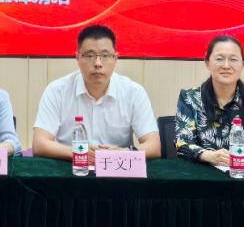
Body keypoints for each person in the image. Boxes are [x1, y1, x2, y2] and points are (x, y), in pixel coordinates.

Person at [32, 24, 160, 161]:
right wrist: (78, 152)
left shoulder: (133, 92)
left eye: (105, 55)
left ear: (115, 58)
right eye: (89, 56)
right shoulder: (57, 90)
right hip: (70, 168)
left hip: (116, 169)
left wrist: (125, 153)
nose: (98, 63)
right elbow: (39, 144)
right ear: (77, 58)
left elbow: (154, 146)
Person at [176, 35, 244, 165]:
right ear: (207, 62)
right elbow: (182, 144)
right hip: (202, 173)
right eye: (219, 59)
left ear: (242, 64)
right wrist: (208, 156)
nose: (226, 66)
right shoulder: (190, 98)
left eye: (233, 59)